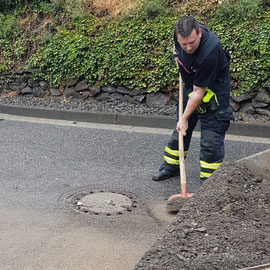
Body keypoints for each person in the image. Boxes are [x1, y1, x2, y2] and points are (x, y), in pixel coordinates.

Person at [152, 15, 234, 183]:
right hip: (191, 85)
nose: (188, 48)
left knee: (211, 140)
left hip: (213, 93)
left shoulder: (210, 52)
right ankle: (171, 166)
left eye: (192, 43)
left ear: (199, 33)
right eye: (184, 44)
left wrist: (184, 117)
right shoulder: (179, 35)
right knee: (180, 132)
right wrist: (177, 56)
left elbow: (199, 92)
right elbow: (177, 50)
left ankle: (210, 181)